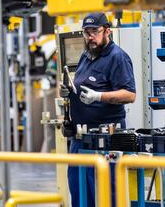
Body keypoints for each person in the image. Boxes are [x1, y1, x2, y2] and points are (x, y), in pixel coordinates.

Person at [60, 12, 136, 207]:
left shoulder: (117, 57)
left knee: (106, 194)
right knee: (79, 193)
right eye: (86, 32)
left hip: (105, 139)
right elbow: (82, 85)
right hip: (80, 139)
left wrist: (99, 96)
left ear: (107, 31)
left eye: (95, 32)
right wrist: (68, 92)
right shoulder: (86, 56)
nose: (90, 37)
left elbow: (130, 94)